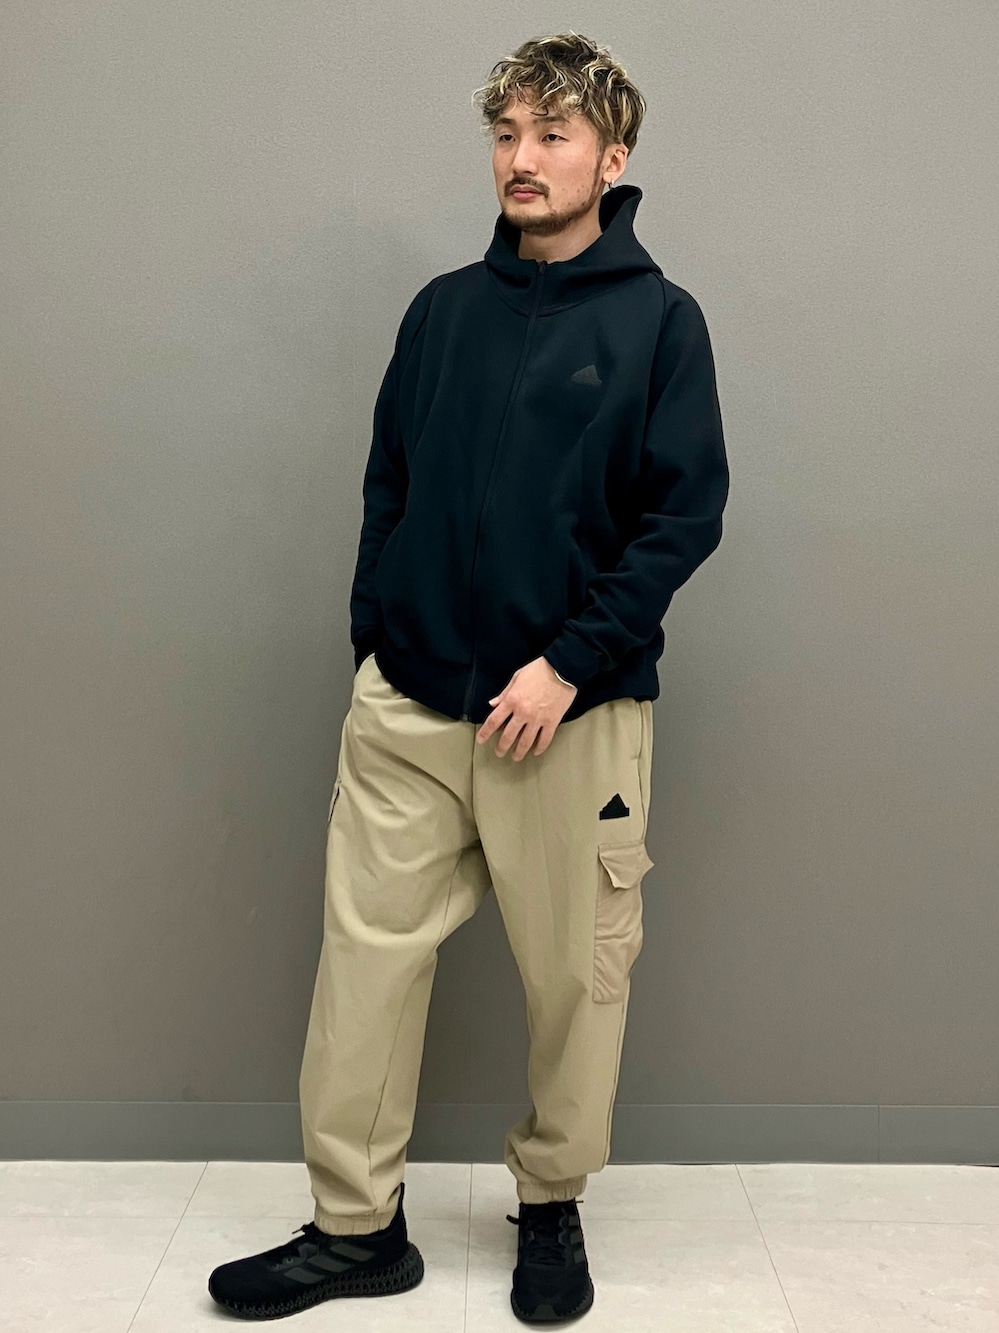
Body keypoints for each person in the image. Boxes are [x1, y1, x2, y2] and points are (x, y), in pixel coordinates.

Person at [208, 30, 728, 1325]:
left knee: (575, 982)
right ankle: (355, 1227)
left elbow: (682, 518)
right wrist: (378, 635)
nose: (522, 158)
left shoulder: (661, 324)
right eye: (506, 134)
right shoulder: (442, 312)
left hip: (569, 717)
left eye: (553, 134)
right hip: (410, 704)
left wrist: (569, 664)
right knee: (363, 972)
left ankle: (550, 1207)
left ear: (613, 157)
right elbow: (388, 479)